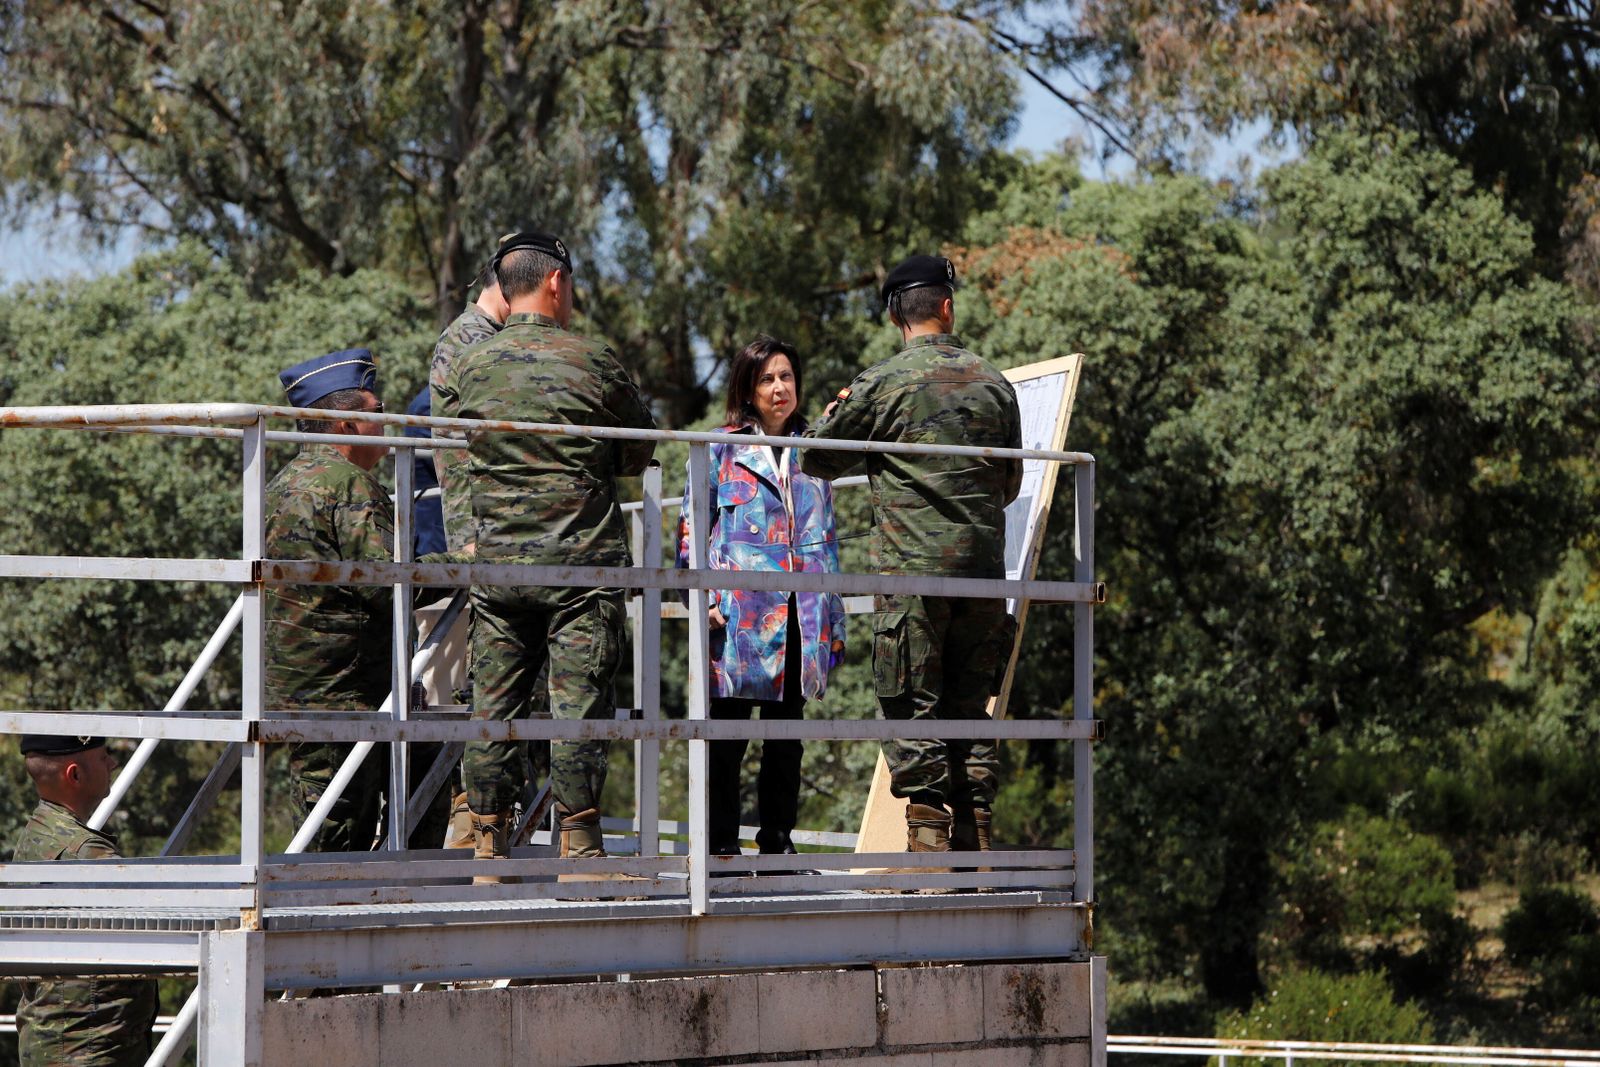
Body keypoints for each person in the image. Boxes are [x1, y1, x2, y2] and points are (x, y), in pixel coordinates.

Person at [436, 230, 657, 880]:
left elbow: (461, 450)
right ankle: (579, 847)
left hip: (499, 569)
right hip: (580, 568)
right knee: (577, 705)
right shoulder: (593, 360)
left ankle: (486, 843)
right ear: (556, 281)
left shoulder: (472, 364)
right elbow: (637, 450)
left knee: (493, 703)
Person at [801, 254, 1022, 859]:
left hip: (912, 575)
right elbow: (1009, 485)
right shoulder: (996, 384)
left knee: (912, 701)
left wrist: (838, 416)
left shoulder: (883, 383)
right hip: (982, 577)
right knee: (969, 703)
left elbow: (816, 456)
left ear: (896, 315)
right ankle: (976, 831)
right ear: (947, 308)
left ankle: (928, 836)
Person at [267, 349, 447, 851]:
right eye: (378, 408)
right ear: (347, 423)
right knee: (338, 842)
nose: (387, 419)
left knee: (331, 825)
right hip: (348, 692)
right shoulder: (348, 486)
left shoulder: (287, 480)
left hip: (311, 688)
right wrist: (465, 564)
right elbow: (392, 583)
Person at [676, 336, 846, 858]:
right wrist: (701, 597)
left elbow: (829, 539)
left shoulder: (815, 450)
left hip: (801, 614)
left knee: (787, 737)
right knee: (727, 737)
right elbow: (691, 527)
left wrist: (834, 621)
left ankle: (778, 842)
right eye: (767, 378)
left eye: (786, 377)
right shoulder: (719, 447)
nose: (779, 388)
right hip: (736, 619)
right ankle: (720, 846)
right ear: (748, 389)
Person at [12, 734, 158, 1066]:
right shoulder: (85, 853)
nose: (113, 763)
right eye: (103, 757)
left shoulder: (38, 832)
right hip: (88, 1049)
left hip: (62, 1041)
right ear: (75, 775)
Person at [429, 253, 510, 554]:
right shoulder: (474, 338)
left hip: (483, 505)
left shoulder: (480, 333)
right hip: (477, 509)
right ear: (506, 287)